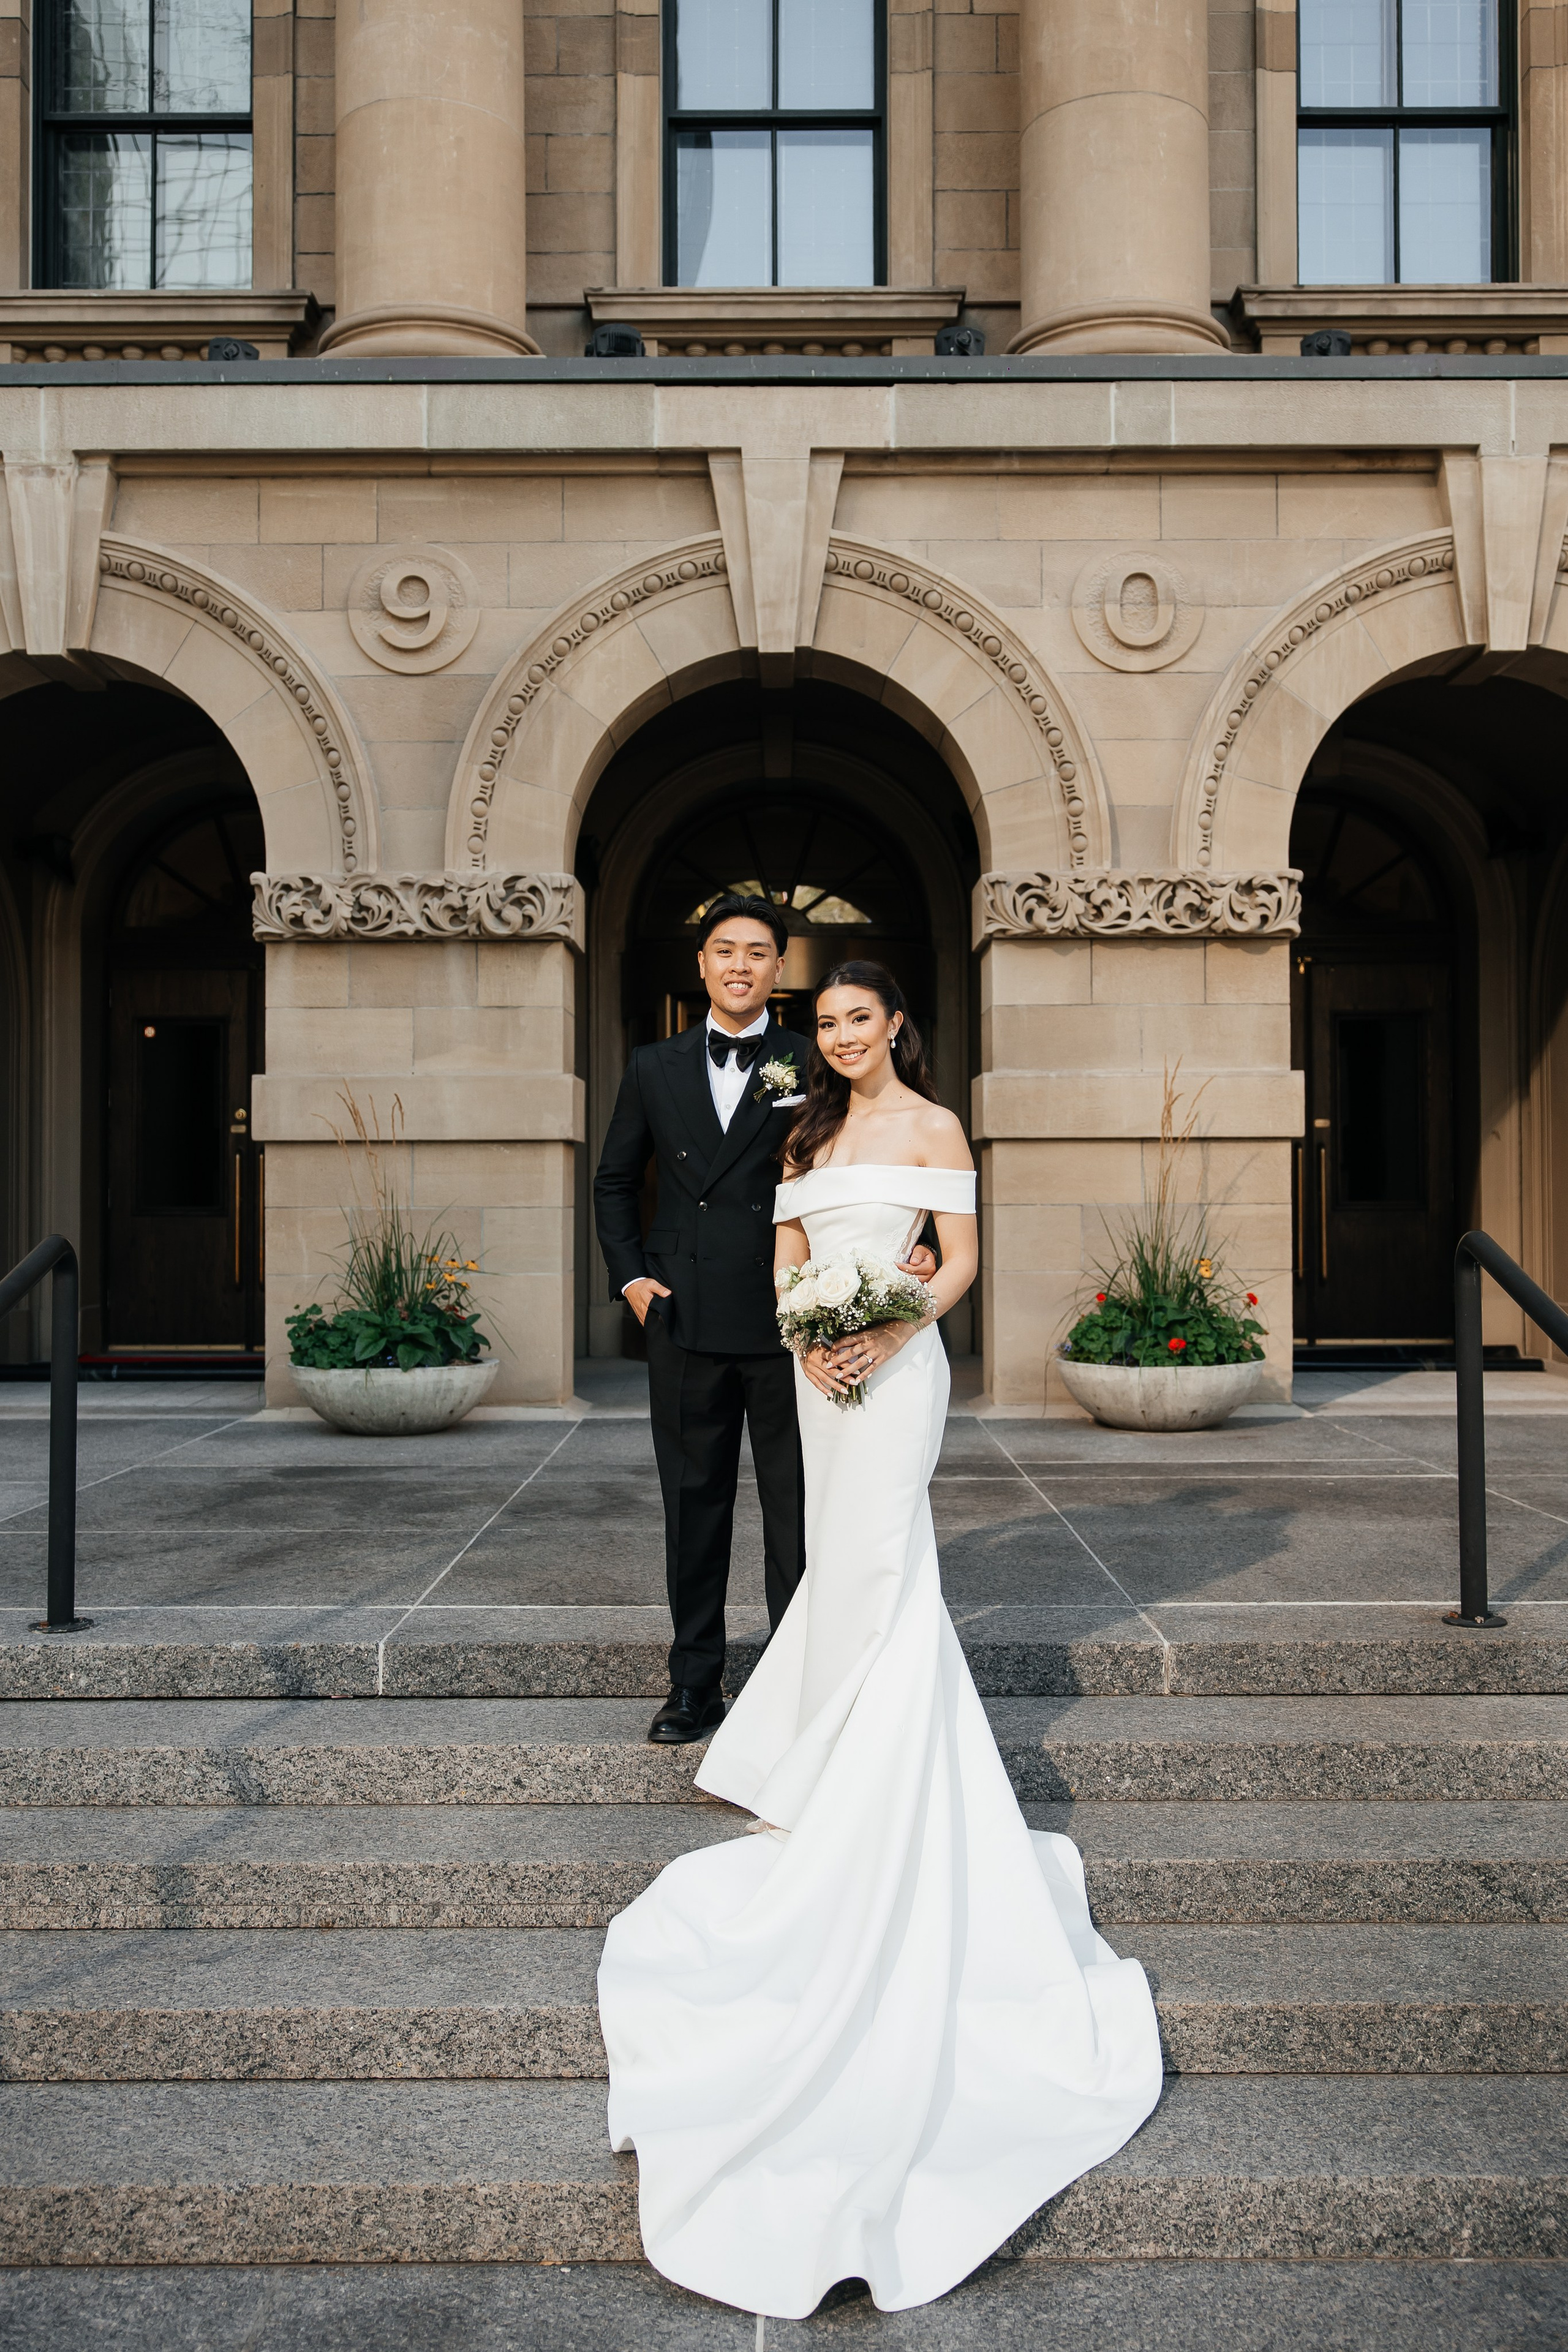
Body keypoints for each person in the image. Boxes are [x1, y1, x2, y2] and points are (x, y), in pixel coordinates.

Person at [597, 960, 1164, 2319]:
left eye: (861, 1021)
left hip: (901, 1370)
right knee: (837, 1568)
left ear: (892, 1026)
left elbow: (958, 1259)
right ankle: (823, 1751)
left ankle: (872, 1768)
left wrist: (888, 1325)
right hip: (816, 1371)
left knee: (880, 1559)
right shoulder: (803, 1129)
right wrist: (809, 1340)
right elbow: (785, 1254)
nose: (844, 1040)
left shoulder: (933, 1130)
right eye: (830, 1024)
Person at [592, 897, 934, 1744]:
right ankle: (693, 1685)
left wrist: (911, 1246)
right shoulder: (651, 1065)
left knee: (795, 1511)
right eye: (724, 951)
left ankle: (792, 1688)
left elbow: (883, 1151)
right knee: (694, 1507)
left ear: (780, 969)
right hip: (682, 1315)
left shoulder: (811, 1057)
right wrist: (632, 1278)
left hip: (794, 1322)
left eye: (757, 954)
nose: (740, 966)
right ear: (701, 964)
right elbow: (612, 1181)